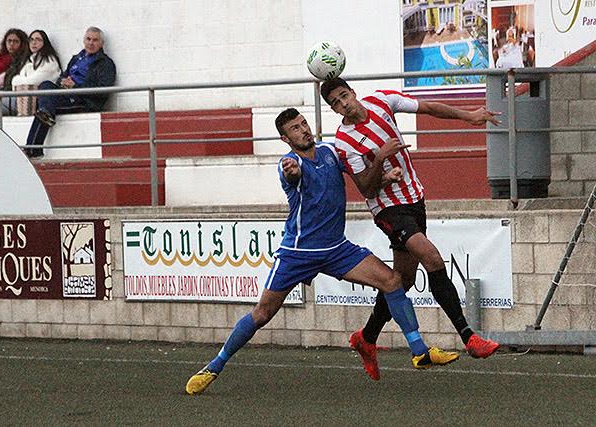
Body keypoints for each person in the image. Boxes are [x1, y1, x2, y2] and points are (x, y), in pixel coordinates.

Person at [185, 108, 459, 395]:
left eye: (304, 124)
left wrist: (385, 177)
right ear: (285, 137)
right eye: (295, 128)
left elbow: (363, 179)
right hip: (298, 252)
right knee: (263, 313)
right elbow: (291, 174)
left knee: (392, 281)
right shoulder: (290, 163)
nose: (303, 130)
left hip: (336, 249)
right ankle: (215, 365)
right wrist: (292, 172)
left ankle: (419, 351)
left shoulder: (330, 152)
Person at [320, 78, 502, 381]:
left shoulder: (382, 101)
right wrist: (380, 160)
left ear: (353, 92)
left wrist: (467, 115)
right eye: (336, 103)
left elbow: (428, 107)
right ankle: (470, 337)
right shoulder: (345, 141)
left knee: (400, 281)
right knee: (432, 258)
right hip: (388, 210)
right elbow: (365, 188)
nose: (343, 105)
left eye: (343, 96)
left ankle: (366, 338)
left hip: (415, 199)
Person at [25, 27, 116, 157]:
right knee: (45, 86)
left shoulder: (106, 63)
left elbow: (103, 90)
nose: (91, 43)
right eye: (88, 39)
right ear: (83, 40)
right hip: (65, 94)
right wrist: (63, 81)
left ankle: (32, 149)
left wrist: (76, 86)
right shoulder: (76, 59)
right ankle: (35, 145)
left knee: (45, 108)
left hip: (84, 101)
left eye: (95, 40)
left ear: (101, 43)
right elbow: (63, 76)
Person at [0, 30, 62, 126]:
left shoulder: (49, 61)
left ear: (45, 43)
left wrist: (20, 81)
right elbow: (16, 81)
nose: (34, 42)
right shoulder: (29, 61)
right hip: (21, 100)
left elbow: (31, 82)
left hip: (33, 102)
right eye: (31, 40)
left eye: (38, 40)